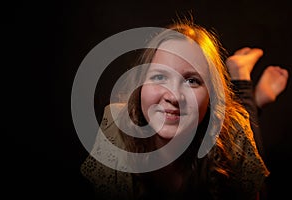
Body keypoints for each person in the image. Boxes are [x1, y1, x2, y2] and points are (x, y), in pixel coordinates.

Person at [80, 21, 270, 200]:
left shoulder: (232, 128)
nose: (173, 96)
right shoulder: (117, 123)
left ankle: (241, 78)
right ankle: (254, 95)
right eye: (160, 76)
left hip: (227, 125)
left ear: (213, 97)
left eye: (192, 81)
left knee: (244, 121)